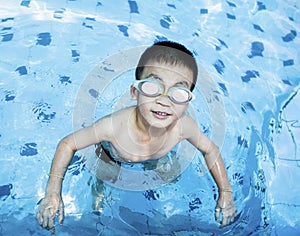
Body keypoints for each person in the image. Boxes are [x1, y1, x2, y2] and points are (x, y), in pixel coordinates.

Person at [36, 41, 237, 232]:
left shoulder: (184, 127)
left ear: (187, 103)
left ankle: (154, 166)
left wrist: (226, 192)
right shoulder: (113, 126)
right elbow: (67, 144)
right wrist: (53, 191)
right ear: (135, 92)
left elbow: (210, 149)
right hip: (113, 156)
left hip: (157, 156)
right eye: (153, 87)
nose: (164, 100)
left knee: (168, 177)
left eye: (179, 92)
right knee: (103, 185)